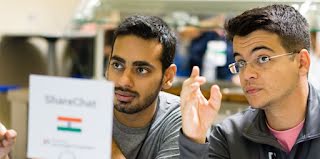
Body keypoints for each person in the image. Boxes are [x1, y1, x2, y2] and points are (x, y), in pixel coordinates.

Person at [179, 4, 320, 158]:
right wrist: (194, 141)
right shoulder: (229, 136)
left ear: (302, 63)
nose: (247, 74)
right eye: (241, 63)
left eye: (263, 58)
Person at [105, 15, 181, 159]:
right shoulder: (82, 105)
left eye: (141, 70)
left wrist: (104, 143)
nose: (123, 82)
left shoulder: (180, 118)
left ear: (168, 77)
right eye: (117, 65)